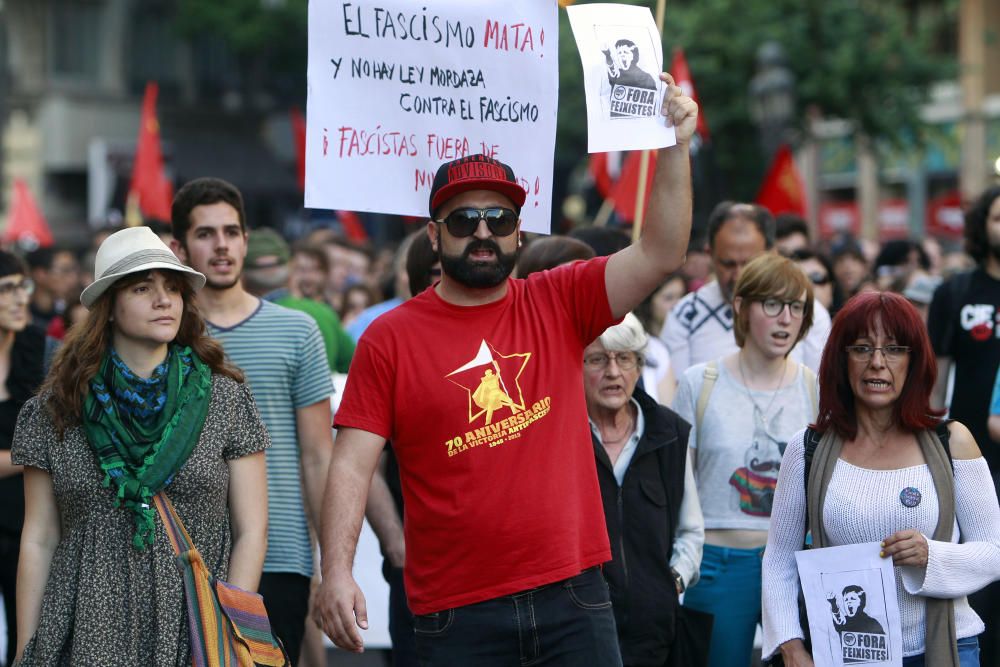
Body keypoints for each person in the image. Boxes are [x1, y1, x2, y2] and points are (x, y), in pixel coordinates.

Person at [314, 73, 697, 666]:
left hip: (573, 596)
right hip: (454, 612)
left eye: (500, 217)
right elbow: (350, 465)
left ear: (520, 230)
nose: (484, 232)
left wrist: (674, 147)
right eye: (464, 221)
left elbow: (662, 250)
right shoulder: (389, 337)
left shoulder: (561, 299)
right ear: (434, 236)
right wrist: (336, 570)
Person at [12, 227, 269, 664]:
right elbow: (39, 538)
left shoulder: (224, 398)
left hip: (195, 626)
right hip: (84, 630)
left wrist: (230, 629)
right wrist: (25, 650)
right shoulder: (52, 410)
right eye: (142, 288)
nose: (164, 299)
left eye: (173, 287)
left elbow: (251, 530)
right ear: (109, 306)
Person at [762, 291, 1000, 667]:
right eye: (861, 348)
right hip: (842, 653)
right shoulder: (807, 448)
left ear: (914, 361)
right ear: (842, 361)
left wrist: (931, 555)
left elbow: (994, 552)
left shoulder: (952, 442)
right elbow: (779, 560)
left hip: (946, 648)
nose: (877, 363)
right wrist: (791, 646)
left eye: (893, 349)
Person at [171, 178, 335, 666]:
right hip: (180, 557)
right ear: (179, 247)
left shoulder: (298, 330)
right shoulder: (162, 335)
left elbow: (318, 456)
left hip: (282, 557)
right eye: (205, 234)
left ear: (245, 239)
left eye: (232, 232)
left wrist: (332, 563)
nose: (221, 245)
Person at [672, 253, 818, 667]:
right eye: (772, 304)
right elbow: (679, 482)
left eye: (796, 307)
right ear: (741, 306)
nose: (785, 319)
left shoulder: (816, 386)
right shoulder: (700, 382)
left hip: (795, 567)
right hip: (718, 563)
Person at [584, 313, 703, 666]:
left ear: (639, 366)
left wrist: (672, 583)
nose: (613, 372)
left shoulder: (669, 433)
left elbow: (691, 530)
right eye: (596, 359)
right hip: (581, 630)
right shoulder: (562, 438)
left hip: (655, 634)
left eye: (624, 358)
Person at [928, 186, 1000, 666]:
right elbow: (933, 388)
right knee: (982, 586)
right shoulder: (954, 293)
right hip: (971, 461)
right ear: (981, 226)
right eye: (998, 217)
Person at [364, 232, 440, 667]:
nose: (446, 281)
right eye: (433, 274)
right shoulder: (390, 346)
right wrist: (397, 547)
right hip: (418, 574)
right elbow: (365, 466)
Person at [661, 201, 831, 378]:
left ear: (772, 253)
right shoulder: (685, 316)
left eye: (749, 263)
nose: (738, 275)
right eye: (728, 264)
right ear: (709, 254)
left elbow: (819, 392)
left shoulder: (806, 313)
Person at [0, 252, 46, 667]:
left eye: (23, 286)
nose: (20, 298)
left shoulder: (41, 349)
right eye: (7, 289)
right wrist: (35, 452)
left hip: (30, 528)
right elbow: (48, 444)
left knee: (26, 645)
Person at [634, 273, 687, 405]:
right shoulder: (649, 346)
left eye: (682, 297)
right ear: (649, 301)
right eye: (669, 298)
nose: (678, 305)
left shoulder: (683, 337)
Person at [24, 247, 79, 331]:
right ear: (40, 274)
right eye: (65, 270)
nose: (72, 277)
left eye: (73, 270)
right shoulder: (22, 315)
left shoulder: (66, 310)